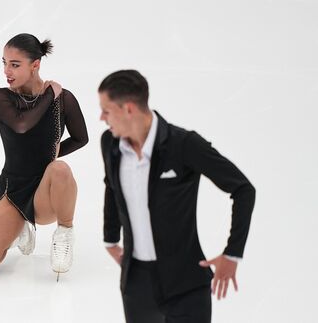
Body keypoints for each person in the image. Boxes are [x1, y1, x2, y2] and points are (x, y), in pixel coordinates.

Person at [98, 69, 256, 322]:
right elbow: (111, 186)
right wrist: (110, 239)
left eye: (106, 110)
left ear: (128, 109)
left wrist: (232, 253)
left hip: (186, 285)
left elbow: (243, 189)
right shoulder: (110, 143)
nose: (102, 117)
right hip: (137, 284)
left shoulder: (183, 144)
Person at [0, 33, 88, 279]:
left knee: (59, 168)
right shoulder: (2, 97)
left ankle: (64, 234)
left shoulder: (64, 100)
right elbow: (22, 125)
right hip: (13, 188)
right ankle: (20, 226)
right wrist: (48, 95)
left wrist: (53, 153)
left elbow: (81, 138)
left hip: (45, 192)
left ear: (36, 65)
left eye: (15, 64)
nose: (6, 71)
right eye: (4, 63)